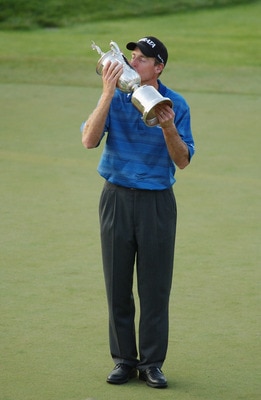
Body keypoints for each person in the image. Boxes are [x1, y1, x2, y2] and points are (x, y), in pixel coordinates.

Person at [81, 36, 195, 389]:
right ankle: (124, 361)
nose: (133, 63)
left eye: (142, 59)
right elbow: (88, 140)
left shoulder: (175, 103)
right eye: (131, 57)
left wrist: (168, 125)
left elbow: (183, 160)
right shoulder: (115, 97)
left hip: (157, 203)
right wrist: (105, 92)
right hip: (115, 198)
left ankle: (151, 364)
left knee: (155, 288)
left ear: (158, 66)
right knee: (117, 286)